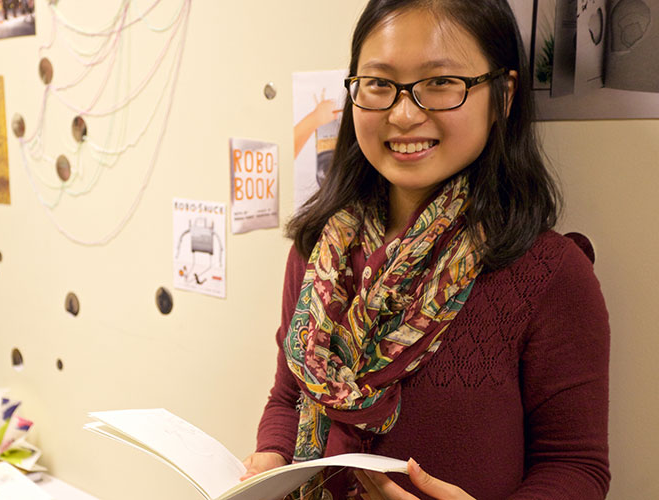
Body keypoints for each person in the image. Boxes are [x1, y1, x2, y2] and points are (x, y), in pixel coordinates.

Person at [242, 1, 610, 499]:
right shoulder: (319, 253)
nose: (403, 113)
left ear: (503, 94)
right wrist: (271, 456)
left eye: (440, 83)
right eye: (378, 84)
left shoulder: (549, 274)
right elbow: (289, 397)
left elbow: (575, 466)